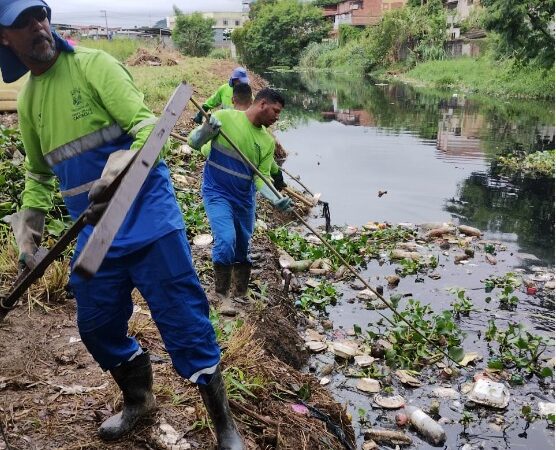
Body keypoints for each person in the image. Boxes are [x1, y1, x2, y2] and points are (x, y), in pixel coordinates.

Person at [0, 1, 244, 448]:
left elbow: (146, 125)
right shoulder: (30, 99)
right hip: (95, 233)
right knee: (95, 325)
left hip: (148, 216)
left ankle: (225, 425)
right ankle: (140, 399)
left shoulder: (94, 65)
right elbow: (37, 175)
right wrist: (28, 236)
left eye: (40, 14)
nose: (38, 25)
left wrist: (116, 171)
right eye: (22, 22)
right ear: (4, 37)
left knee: (185, 323)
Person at [188, 88, 292, 316]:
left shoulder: (266, 142)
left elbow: (260, 178)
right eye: (275, 111)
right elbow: (194, 143)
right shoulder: (225, 119)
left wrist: (276, 198)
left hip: (244, 199)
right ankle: (222, 295)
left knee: (242, 245)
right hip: (217, 193)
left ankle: (241, 292)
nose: (277, 117)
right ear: (262, 104)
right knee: (226, 240)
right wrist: (206, 130)